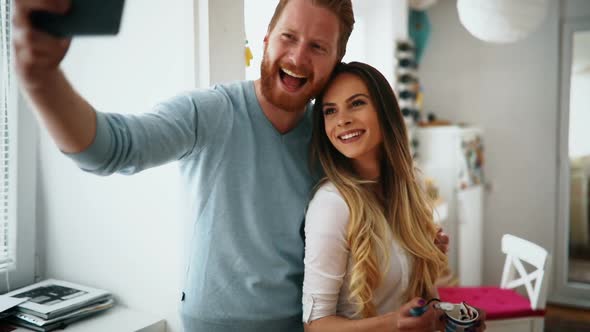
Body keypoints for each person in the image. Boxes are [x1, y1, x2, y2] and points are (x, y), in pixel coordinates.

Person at [12, 0, 448, 331]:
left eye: (318, 47)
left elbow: (363, 211)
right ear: (266, 38)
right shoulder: (209, 113)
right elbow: (111, 149)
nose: (298, 57)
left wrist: (411, 243)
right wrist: (40, 75)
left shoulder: (330, 134)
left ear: (335, 61)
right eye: (288, 37)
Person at [302, 62, 485, 332]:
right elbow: (315, 325)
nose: (342, 120)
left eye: (356, 104)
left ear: (384, 111)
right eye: (330, 111)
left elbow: (419, 299)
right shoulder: (332, 204)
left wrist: (448, 319)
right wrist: (393, 323)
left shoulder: (410, 189)